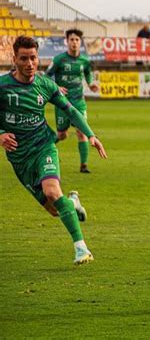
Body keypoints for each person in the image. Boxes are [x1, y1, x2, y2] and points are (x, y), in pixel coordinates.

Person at [0, 36, 107, 265]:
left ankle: (81, 248)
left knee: (51, 191)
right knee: (55, 209)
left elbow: (71, 111)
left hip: (43, 146)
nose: (30, 63)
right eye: (24, 58)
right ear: (14, 59)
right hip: (19, 158)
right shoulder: (3, 86)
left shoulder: (45, 84)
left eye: (34, 58)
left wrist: (91, 135)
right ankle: (73, 203)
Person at [45, 28, 99, 173]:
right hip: (62, 102)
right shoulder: (59, 59)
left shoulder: (84, 61)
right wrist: (56, 86)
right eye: (72, 40)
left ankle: (84, 165)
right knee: (62, 135)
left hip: (79, 101)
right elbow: (47, 76)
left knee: (82, 132)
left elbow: (87, 74)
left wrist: (91, 83)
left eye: (77, 40)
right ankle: (44, 146)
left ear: (80, 43)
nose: (74, 42)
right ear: (67, 41)